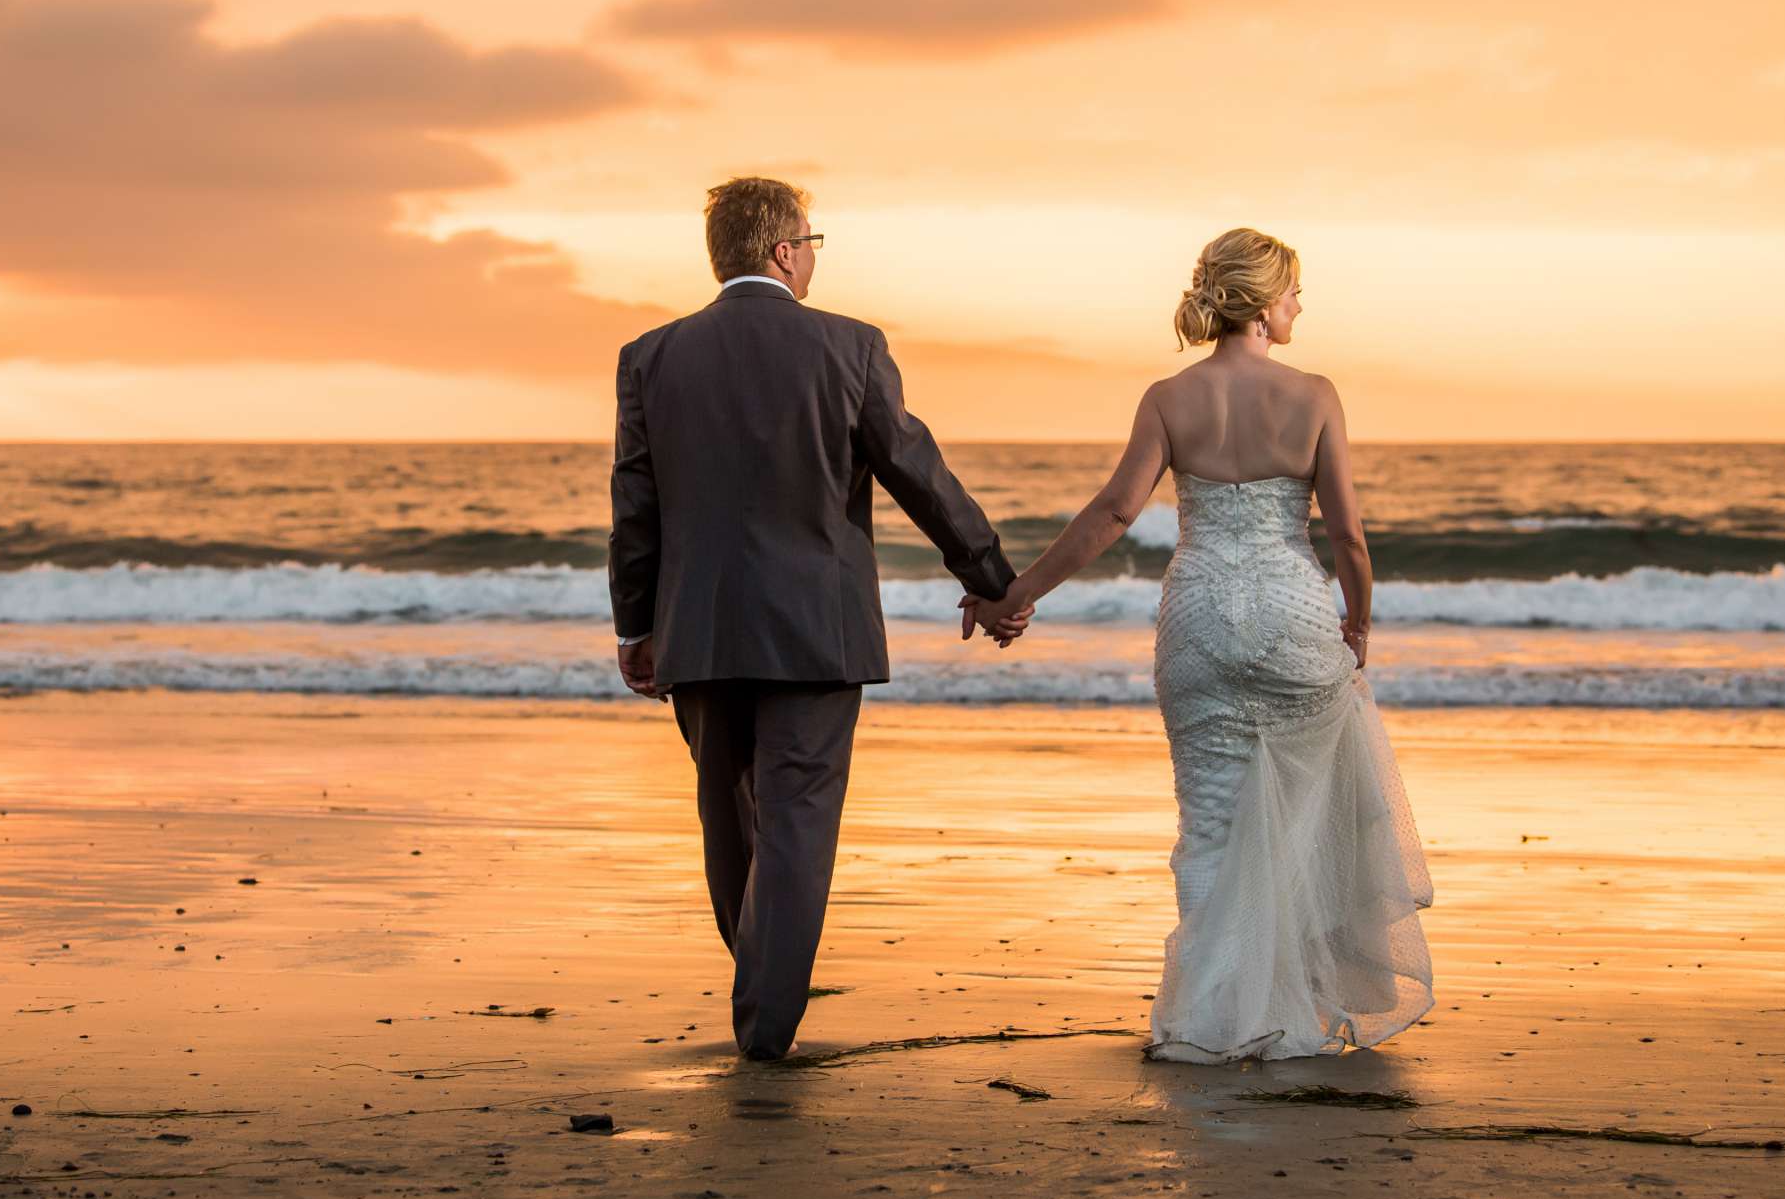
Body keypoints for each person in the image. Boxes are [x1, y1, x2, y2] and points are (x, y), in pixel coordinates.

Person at [969, 227, 1434, 1061]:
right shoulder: (1316, 394)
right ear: (1261, 303)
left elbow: (1112, 514)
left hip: (1199, 620)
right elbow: (1351, 538)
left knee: (1213, 824)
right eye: (1293, 291)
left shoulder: (1168, 397)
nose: (1300, 305)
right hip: (1292, 618)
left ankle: (1213, 1017)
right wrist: (1358, 622)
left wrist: (1019, 595)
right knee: (1311, 816)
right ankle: (1292, 1004)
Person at [608, 176, 1028, 1060]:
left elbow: (635, 508)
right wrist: (992, 578)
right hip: (815, 628)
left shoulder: (650, 356)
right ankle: (765, 1021)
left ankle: (761, 988)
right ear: (784, 251)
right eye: (812, 242)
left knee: (731, 816)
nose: (811, 256)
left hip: (701, 629)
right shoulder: (851, 347)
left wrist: (634, 626)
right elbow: (919, 473)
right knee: (797, 815)